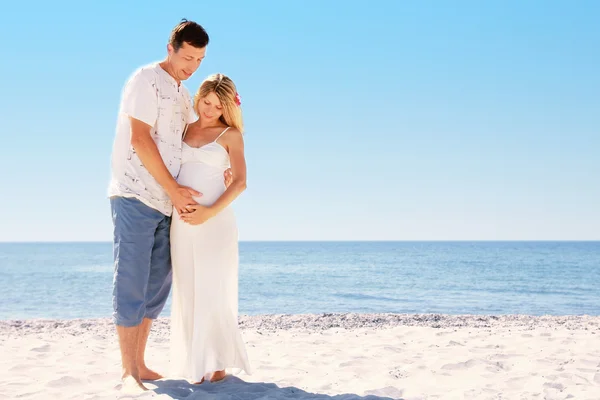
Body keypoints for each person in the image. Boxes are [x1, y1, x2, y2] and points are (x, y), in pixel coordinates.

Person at [108, 20, 230, 392]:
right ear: (170, 47)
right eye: (188, 56)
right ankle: (128, 371)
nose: (193, 66)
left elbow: (194, 142)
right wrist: (175, 189)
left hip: (168, 205)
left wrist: (221, 170)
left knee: (157, 285)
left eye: (200, 59)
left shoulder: (182, 94)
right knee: (131, 280)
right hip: (136, 194)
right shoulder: (144, 80)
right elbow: (141, 140)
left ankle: (140, 363)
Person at [169, 73, 252, 384]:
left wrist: (208, 213)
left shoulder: (231, 135)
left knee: (214, 289)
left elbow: (241, 182)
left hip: (215, 222)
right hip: (182, 222)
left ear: (226, 107)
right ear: (198, 98)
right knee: (188, 288)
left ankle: (216, 362)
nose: (209, 110)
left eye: (217, 106)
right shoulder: (181, 130)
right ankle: (196, 361)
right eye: (206, 102)